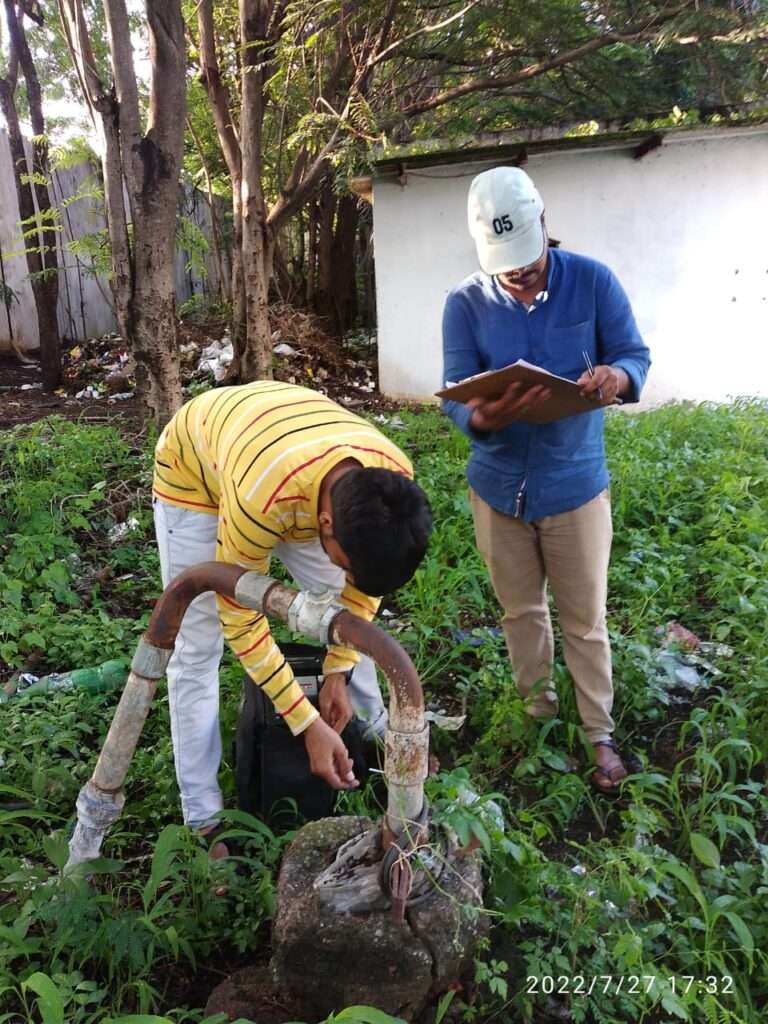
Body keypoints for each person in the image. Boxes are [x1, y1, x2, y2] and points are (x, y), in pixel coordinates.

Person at [441, 166, 650, 794]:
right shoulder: (464, 303)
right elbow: (453, 392)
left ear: (544, 226)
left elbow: (633, 355)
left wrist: (615, 378)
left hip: (574, 485)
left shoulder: (593, 281)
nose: (521, 275)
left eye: (528, 263)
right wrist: (480, 415)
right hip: (498, 488)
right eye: (507, 267)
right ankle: (537, 714)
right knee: (520, 611)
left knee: (584, 618)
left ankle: (598, 733)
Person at [153, 380, 432, 849]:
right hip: (198, 468)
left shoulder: (393, 479)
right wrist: (304, 722)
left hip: (292, 454)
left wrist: (337, 671)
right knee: (197, 647)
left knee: (335, 603)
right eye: (345, 560)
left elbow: (357, 596)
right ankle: (203, 818)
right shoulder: (259, 500)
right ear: (327, 525)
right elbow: (240, 618)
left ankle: (377, 731)